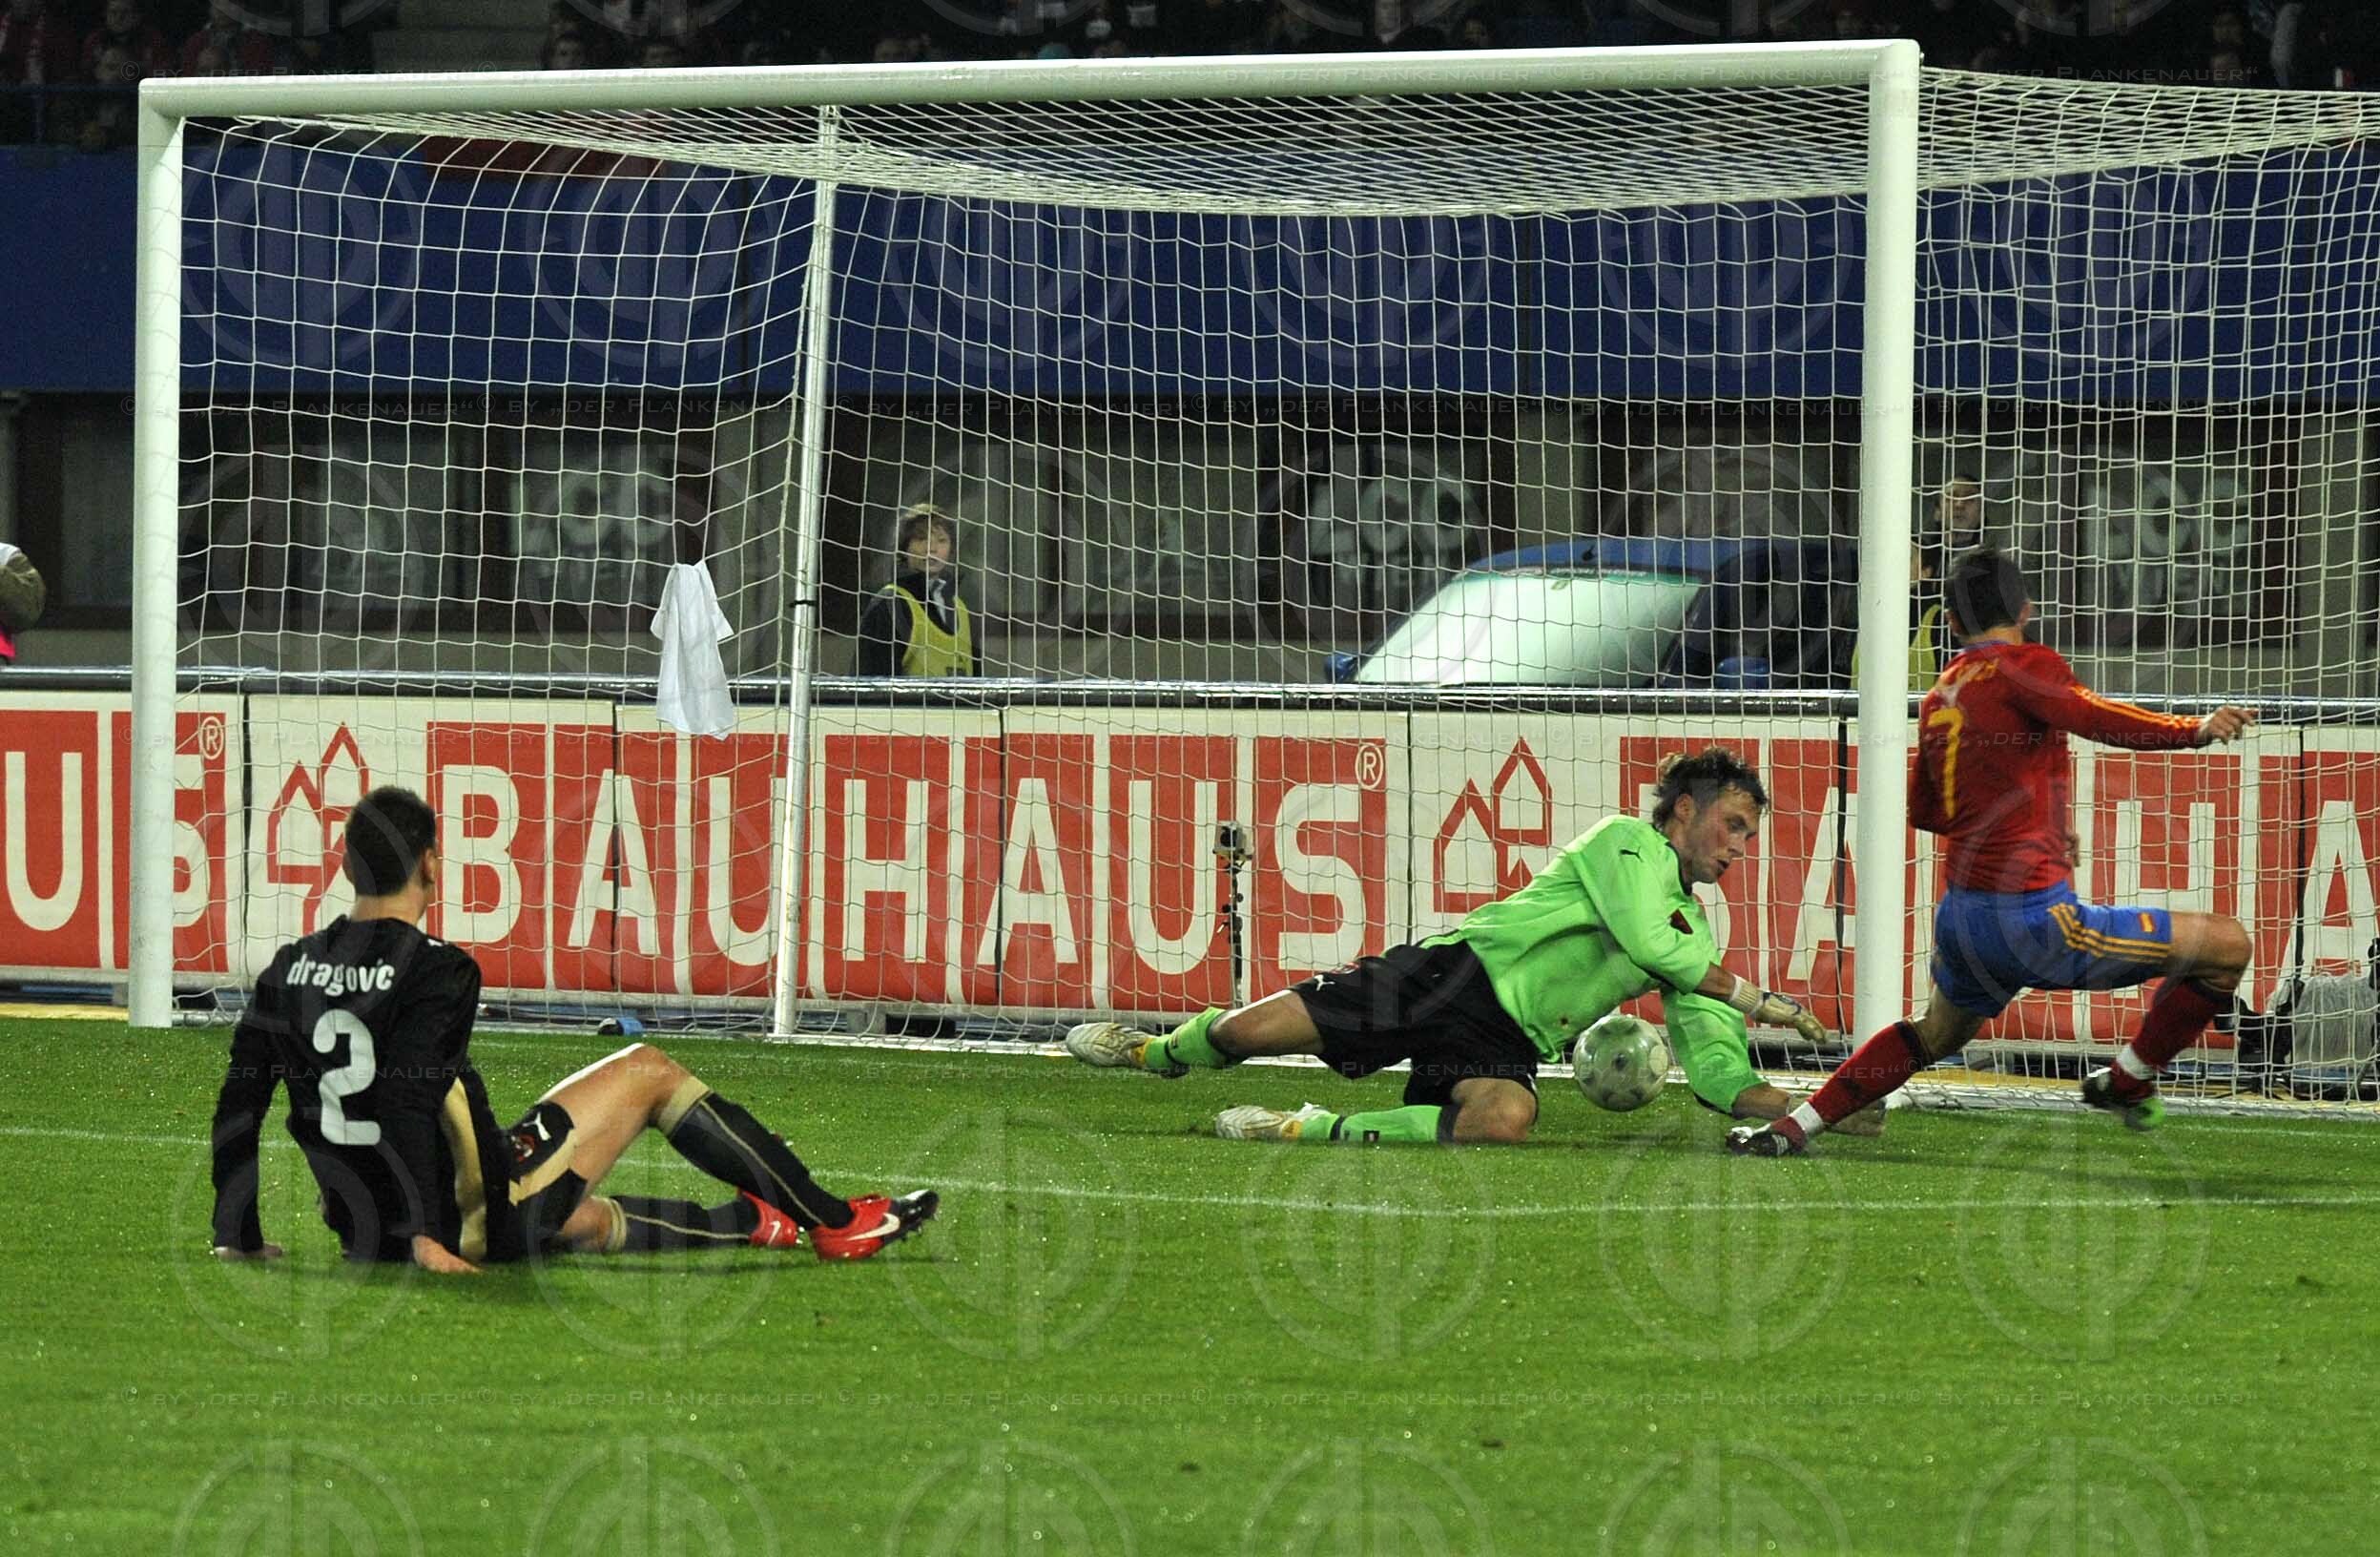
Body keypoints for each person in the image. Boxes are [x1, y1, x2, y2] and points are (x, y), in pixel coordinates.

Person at [208, 786, 937, 1270]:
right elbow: (406, 1101)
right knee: (646, 1070)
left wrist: (233, 1234)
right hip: (452, 1220)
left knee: (572, 1215)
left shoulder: (290, 965)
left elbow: (239, 1108)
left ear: (346, 866)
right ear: (433, 861)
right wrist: (425, 1239)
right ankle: (836, 1220)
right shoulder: (438, 969)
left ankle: (755, 1218)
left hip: (359, 1230)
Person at [1728, 550, 2257, 1157]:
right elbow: (2092, 715)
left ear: (1950, 623)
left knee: (1933, 1034)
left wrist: (2032, 822)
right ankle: (2130, 1079)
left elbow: (1927, 812)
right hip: (2033, 920)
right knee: (2226, 947)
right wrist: (2190, 730)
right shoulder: (2027, 665)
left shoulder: (1941, 693)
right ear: (2027, 610)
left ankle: (1795, 1128)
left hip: (1963, 920)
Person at [1066, 748, 1869, 1145]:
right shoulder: (1626, 843)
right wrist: (1755, 998)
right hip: (1454, 974)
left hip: (1504, 1035)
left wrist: (1820, 1108)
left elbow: (1717, 1064)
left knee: (1504, 1117)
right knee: (1244, 1035)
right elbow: (1645, 941)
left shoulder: (1692, 938)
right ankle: (1153, 1053)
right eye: (1732, 826)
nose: (1738, 847)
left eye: (1749, 837)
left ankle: (1298, 1127)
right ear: (1683, 812)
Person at [857, 502, 975, 677]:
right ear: (904, 548)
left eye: (941, 540)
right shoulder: (889, 603)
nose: (931, 548)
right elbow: (872, 684)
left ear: (951, 550)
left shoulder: (961, 609)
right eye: (921, 539)